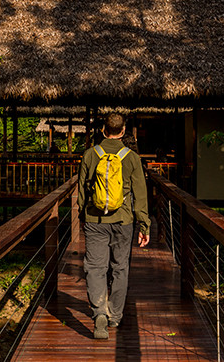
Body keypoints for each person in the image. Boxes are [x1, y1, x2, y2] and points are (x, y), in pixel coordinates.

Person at [77, 111, 150, 340]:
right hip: (124, 220)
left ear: (102, 130)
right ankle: (114, 315)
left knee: (95, 268)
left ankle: (99, 312)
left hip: (95, 219)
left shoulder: (90, 154)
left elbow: (81, 190)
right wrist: (144, 225)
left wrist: (83, 215)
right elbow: (140, 194)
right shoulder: (132, 158)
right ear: (123, 131)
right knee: (120, 268)